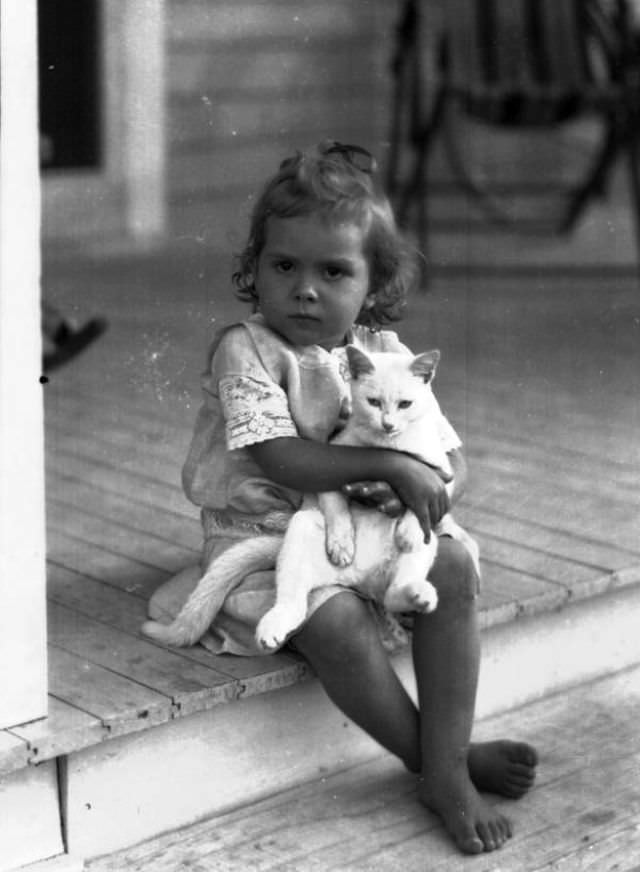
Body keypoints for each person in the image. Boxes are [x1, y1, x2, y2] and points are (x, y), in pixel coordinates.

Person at [148, 141, 538, 855]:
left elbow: (448, 457)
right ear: (255, 269)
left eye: (333, 272)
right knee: (334, 627)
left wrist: (434, 488)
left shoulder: (383, 353)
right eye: (284, 266)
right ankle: (441, 765)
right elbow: (280, 455)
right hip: (265, 527)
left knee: (450, 568)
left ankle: (445, 752)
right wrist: (396, 466)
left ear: (371, 285)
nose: (304, 289)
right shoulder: (249, 349)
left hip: (368, 530)